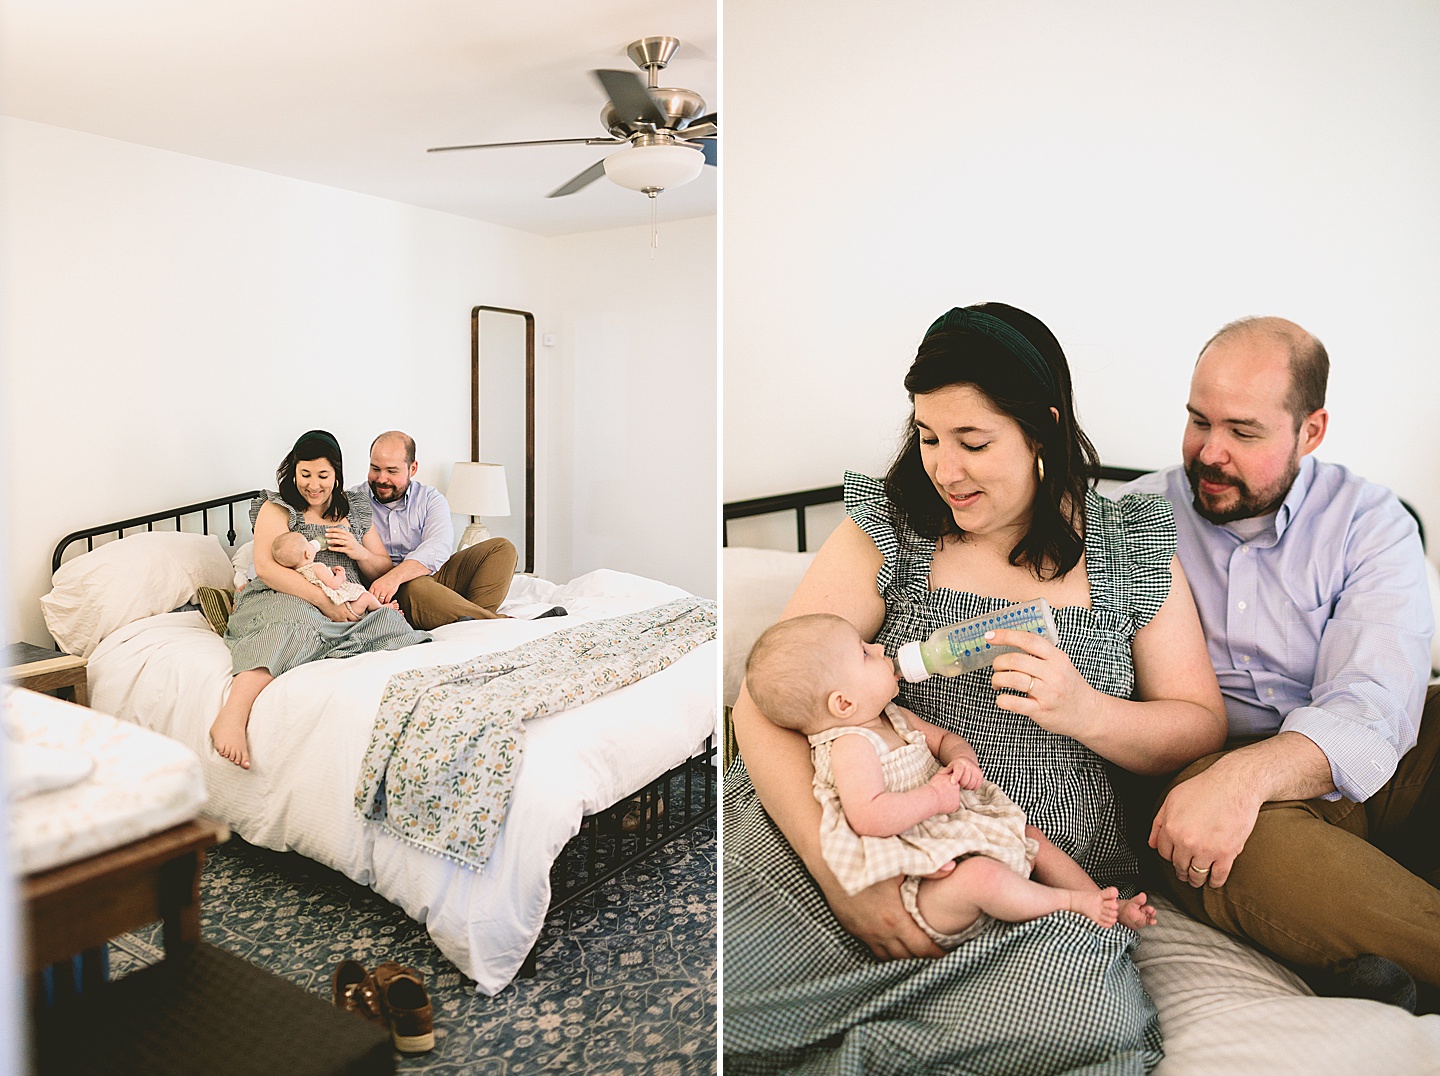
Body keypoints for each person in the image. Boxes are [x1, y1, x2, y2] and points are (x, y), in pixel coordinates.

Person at [725, 303, 1226, 1070]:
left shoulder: (1133, 542)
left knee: (1087, 1017)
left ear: (1042, 430)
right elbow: (764, 703)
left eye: (973, 441)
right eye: (928, 437)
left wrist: (1087, 712)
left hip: (1029, 876)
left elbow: (1198, 726)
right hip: (861, 843)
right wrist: (846, 883)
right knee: (729, 981)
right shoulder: (888, 530)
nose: (943, 469)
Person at [1117, 316, 1440, 1005]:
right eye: (1198, 420)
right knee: (1215, 839)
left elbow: (1376, 704)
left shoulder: (1372, 521)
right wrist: (1233, 783)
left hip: (1375, 757)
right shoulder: (1135, 518)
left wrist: (1250, 775)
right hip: (1219, 779)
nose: (1209, 451)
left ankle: (1371, 946)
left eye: (1243, 431)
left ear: (1311, 432)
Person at [745, 612, 1157, 949]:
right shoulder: (851, 745)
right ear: (843, 703)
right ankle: (1069, 904)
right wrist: (935, 797)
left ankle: (1103, 903)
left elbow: (943, 740)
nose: (880, 647)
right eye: (865, 654)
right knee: (983, 879)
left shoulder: (891, 717)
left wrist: (961, 759)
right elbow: (870, 817)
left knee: (1031, 836)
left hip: (948, 834)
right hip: (921, 884)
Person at [210, 430, 431, 769]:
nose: (313, 485)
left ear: (337, 475)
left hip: (344, 596)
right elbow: (267, 569)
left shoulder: (353, 509)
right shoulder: (278, 507)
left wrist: (357, 552)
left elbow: (382, 567)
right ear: (293, 472)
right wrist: (324, 602)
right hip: (287, 593)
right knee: (290, 623)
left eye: (323, 476)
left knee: (389, 624)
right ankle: (232, 716)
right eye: (305, 475)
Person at [349, 431, 521, 629]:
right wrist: (392, 581)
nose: (382, 479)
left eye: (392, 471)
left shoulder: (430, 499)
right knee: (416, 586)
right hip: (396, 592)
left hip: (433, 577)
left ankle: (466, 617)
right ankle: (497, 624)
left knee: (502, 548)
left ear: (412, 469)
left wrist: (395, 577)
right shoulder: (354, 500)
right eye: (375, 468)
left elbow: (439, 546)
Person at [270, 531, 395, 617]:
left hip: (325, 611)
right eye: (308, 544)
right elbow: (333, 585)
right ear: (307, 554)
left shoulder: (297, 574)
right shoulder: (317, 567)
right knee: (366, 597)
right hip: (346, 607)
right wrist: (340, 575)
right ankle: (382, 609)